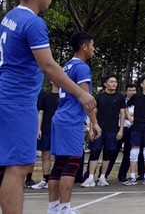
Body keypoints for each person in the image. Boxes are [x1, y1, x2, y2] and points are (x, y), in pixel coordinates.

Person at [0, 0, 95, 214]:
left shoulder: (9, 17)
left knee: (6, 165)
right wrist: (81, 93)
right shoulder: (33, 22)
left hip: (6, 96)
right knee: (18, 166)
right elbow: (48, 66)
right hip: (17, 101)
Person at [47, 32, 101, 214]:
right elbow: (86, 99)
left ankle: (53, 207)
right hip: (71, 120)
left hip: (60, 117)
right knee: (72, 163)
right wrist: (94, 123)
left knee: (60, 164)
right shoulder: (82, 67)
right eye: (92, 45)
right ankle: (64, 207)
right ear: (84, 46)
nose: (93, 49)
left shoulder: (66, 66)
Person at [81, 75, 126, 187]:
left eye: (115, 81)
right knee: (94, 152)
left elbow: (122, 114)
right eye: (111, 82)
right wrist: (91, 129)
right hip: (98, 130)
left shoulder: (120, 97)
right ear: (105, 84)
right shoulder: (99, 97)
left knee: (108, 154)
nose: (114, 84)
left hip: (112, 130)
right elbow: (93, 114)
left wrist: (120, 130)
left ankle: (102, 177)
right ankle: (90, 177)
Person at [31, 82, 60, 190]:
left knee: (59, 155)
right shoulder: (45, 96)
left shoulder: (64, 97)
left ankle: (57, 179)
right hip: (46, 128)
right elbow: (41, 113)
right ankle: (46, 179)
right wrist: (38, 129)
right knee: (45, 154)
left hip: (59, 130)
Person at [117, 83, 142, 182]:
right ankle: (104, 174)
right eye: (130, 90)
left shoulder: (140, 101)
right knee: (113, 151)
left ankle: (122, 174)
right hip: (121, 128)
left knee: (128, 153)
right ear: (126, 92)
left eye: (134, 90)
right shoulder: (121, 101)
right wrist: (128, 116)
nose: (132, 92)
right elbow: (119, 114)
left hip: (134, 129)